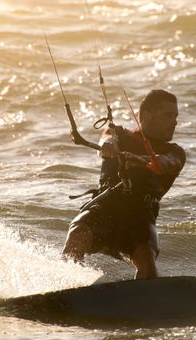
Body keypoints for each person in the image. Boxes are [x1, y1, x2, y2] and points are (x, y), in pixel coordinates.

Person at [62, 89, 186, 279]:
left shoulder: (176, 153)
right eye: (168, 115)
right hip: (104, 210)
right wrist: (109, 144)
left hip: (140, 220)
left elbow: (165, 163)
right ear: (146, 116)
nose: (175, 122)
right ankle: (66, 286)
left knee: (147, 263)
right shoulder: (119, 133)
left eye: (175, 116)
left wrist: (141, 160)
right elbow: (107, 136)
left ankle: (142, 299)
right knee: (77, 234)